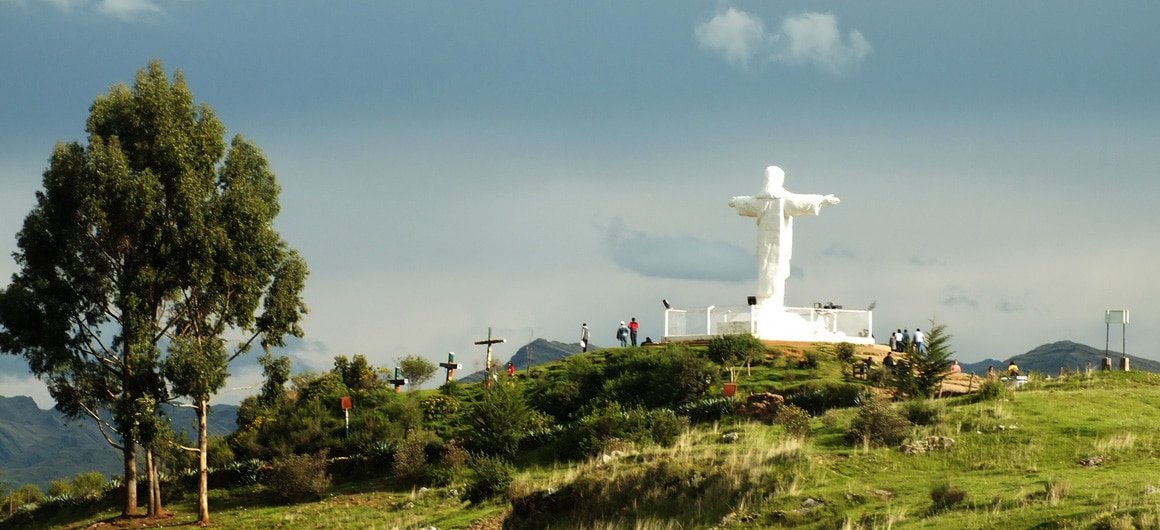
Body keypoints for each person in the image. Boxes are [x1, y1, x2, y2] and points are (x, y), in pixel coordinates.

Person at [728, 166, 840, 309]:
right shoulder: (781, 198)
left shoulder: (761, 200)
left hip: (765, 243)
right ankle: (769, 301)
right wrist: (823, 200)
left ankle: (766, 299)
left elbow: (746, 202)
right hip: (777, 245)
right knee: (775, 269)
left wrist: (736, 202)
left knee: (767, 268)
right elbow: (801, 202)